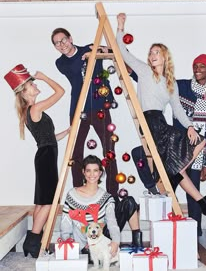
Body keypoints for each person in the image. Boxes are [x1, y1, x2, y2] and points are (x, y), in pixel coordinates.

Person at [116, 13, 206, 218]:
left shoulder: (170, 83)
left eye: (157, 52)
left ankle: (202, 202)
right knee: (183, 158)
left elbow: (177, 109)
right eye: (150, 52)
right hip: (149, 121)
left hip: (160, 121)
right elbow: (123, 52)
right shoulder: (143, 71)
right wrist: (121, 26)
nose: (152, 55)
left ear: (164, 57)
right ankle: (172, 176)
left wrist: (189, 127)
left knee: (199, 143)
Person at [4, 64, 69, 258]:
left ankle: (31, 244)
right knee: (48, 203)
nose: (34, 85)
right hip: (46, 157)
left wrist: (67, 132)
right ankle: (33, 242)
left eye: (33, 82)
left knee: (43, 202)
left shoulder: (29, 112)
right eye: (31, 84)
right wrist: (44, 77)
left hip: (44, 154)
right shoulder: (35, 108)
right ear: (24, 93)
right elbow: (61, 91)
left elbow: (47, 138)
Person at [51, 28, 118, 196]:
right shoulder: (61, 63)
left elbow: (115, 52)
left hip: (100, 106)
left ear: (71, 38)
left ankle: (113, 195)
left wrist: (101, 50)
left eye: (63, 39)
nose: (62, 44)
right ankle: (79, 193)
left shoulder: (89, 48)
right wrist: (89, 57)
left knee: (109, 150)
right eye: (57, 43)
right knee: (76, 152)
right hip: (78, 109)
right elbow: (75, 69)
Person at [173, 54, 206, 236]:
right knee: (167, 193)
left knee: (193, 198)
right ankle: (167, 236)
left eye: (202, 66)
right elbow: (156, 83)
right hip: (176, 149)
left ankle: (194, 240)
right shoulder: (181, 86)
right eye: (195, 65)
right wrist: (132, 72)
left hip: (198, 154)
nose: (197, 69)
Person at [60, 155, 143, 261]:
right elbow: (65, 223)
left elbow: (112, 223)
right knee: (94, 256)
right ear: (83, 172)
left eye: (95, 170)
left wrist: (115, 241)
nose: (92, 174)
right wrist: (69, 243)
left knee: (129, 201)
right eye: (88, 170)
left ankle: (138, 245)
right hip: (83, 247)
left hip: (101, 238)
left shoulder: (106, 197)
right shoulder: (72, 195)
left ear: (100, 173)